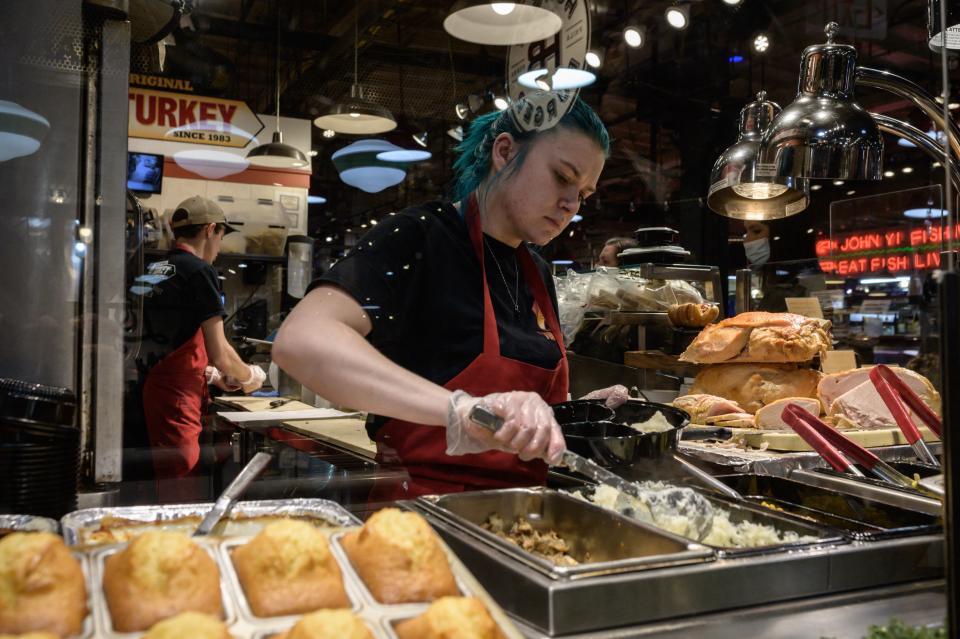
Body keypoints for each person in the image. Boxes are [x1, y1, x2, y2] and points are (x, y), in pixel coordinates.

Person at [274, 96, 627, 499]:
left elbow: (520, 418)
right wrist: (461, 411)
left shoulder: (537, 271)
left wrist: (574, 414)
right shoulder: (419, 237)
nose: (571, 205)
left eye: (583, 193)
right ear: (505, 152)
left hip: (524, 518)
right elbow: (302, 340)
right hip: (421, 517)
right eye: (562, 176)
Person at [132, 196, 266, 490]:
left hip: (151, 390)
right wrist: (250, 377)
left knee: (161, 481)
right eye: (220, 236)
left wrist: (208, 374)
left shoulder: (156, 267)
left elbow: (162, 334)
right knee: (178, 489)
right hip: (177, 400)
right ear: (210, 230)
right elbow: (221, 353)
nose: (219, 246)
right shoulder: (200, 271)